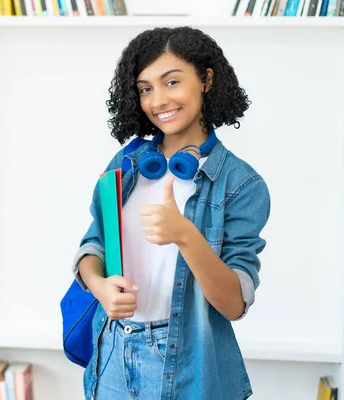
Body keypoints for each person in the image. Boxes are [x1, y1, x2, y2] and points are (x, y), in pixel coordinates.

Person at [71, 26, 271, 400]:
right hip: (112, 351)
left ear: (206, 79)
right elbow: (93, 245)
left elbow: (234, 304)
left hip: (184, 363)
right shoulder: (127, 164)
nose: (158, 100)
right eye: (146, 88)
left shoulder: (242, 185)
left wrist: (184, 234)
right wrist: (101, 288)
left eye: (172, 82)